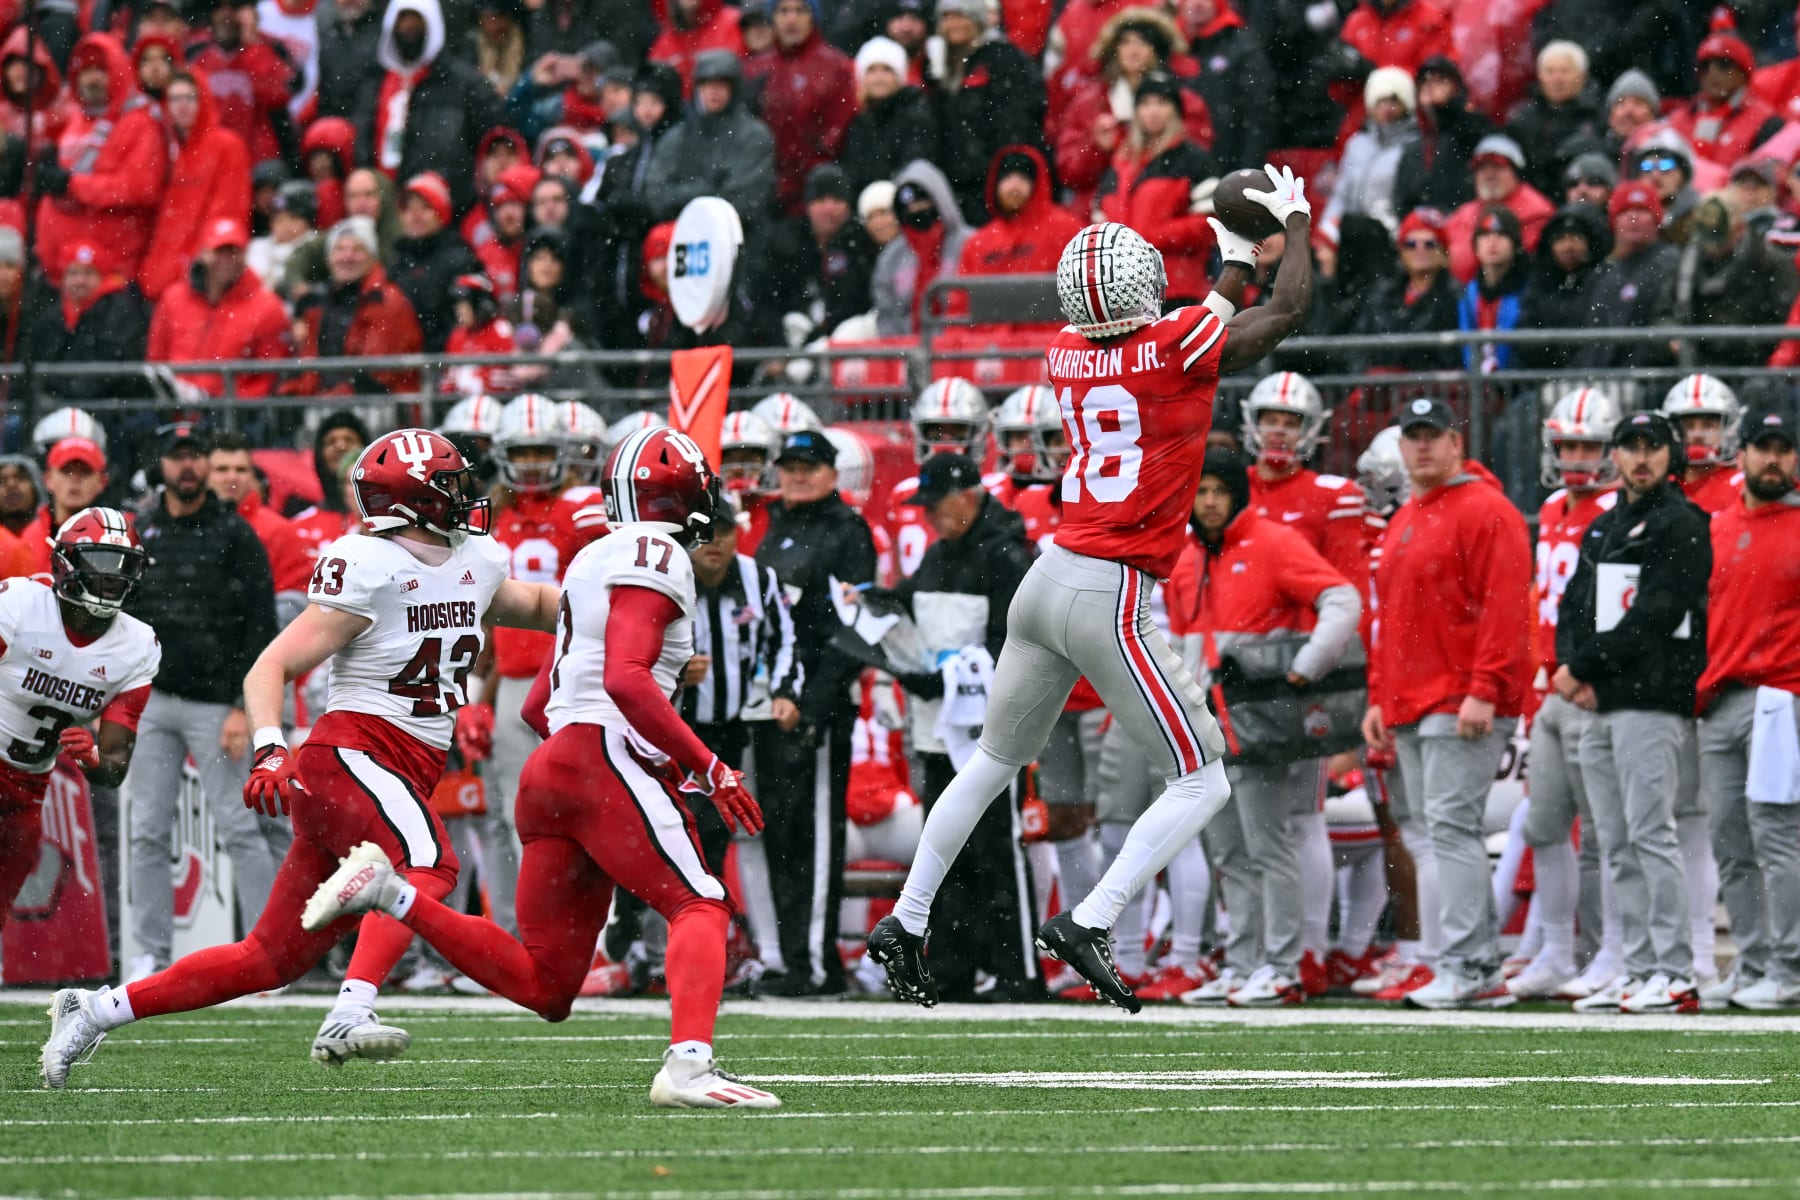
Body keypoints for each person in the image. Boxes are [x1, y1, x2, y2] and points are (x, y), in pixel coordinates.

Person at [869, 167, 1317, 1013]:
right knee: (1202, 779)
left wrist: (1229, 261)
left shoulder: (1066, 353)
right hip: (1112, 588)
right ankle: (1093, 917)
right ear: (1138, 284)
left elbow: (1208, 319)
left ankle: (906, 914)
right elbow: (1281, 313)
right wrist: (1289, 224)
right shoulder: (1177, 346)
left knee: (991, 762)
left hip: (1046, 579)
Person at [41, 430, 560, 1087]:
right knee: (428, 863)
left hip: (393, 769)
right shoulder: (369, 564)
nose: (464, 494)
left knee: (269, 958)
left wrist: (610, 607)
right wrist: (268, 746)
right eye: (449, 483)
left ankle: (94, 1010)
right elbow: (274, 663)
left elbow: (531, 606)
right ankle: (351, 1007)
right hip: (353, 753)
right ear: (413, 496)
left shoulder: (475, 558)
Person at [296, 427, 778, 1109]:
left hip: (551, 767)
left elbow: (540, 704)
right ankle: (690, 1067)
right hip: (600, 752)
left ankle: (395, 895)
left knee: (547, 984)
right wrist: (709, 765)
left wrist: (580, 764)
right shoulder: (657, 553)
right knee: (700, 901)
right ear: (687, 494)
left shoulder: (591, 559)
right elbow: (627, 679)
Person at [1166, 448, 1360, 1006]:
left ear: (1238, 495)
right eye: (1200, 491)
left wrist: (1305, 668)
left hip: (1260, 719)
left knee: (1269, 844)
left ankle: (1283, 965)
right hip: (1208, 723)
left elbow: (1341, 599)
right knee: (1228, 850)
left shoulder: (1273, 542)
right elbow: (1179, 637)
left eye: (1219, 491)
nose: (1208, 503)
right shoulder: (1187, 554)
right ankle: (1245, 960)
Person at [1362, 397, 1534, 1009]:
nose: (1423, 447)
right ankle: (1466, 963)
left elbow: (1507, 609)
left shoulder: (1486, 510)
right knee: (1439, 832)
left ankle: (1471, 965)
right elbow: (1392, 620)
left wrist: (1485, 689)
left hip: (1459, 699)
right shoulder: (1409, 514)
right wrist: (1381, 697)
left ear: (1456, 444)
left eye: (1433, 436)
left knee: (1453, 829)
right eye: (1413, 437)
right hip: (1414, 701)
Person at [1553, 410, 1710, 1015]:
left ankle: (1675, 971)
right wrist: (1576, 670)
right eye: (1630, 447)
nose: (1640, 458)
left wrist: (1581, 668)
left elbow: (1656, 614)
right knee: (1615, 840)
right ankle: (1640, 964)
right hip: (1600, 700)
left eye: (1653, 447)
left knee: (1650, 835)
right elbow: (1574, 606)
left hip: (1650, 700)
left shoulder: (1683, 524)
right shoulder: (1603, 526)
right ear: (1614, 456)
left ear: (1673, 457)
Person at [118, 423, 280, 984]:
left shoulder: (236, 534)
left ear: (207, 466)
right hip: (153, 699)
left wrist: (243, 705)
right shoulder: (142, 532)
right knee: (146, 829)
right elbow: (123, 618)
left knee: (239, 825)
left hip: (217, 704)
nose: (186, 467)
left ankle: (269, 949)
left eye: (194, 457)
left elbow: (261, 625)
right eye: (176, 457)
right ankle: (149, 954)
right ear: (161, 464)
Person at [879, 452, 1040, 1001]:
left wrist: (944, 680)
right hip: (938, 730)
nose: (930, 518)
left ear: (967, 498)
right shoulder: (940, 553)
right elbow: (918, 607)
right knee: (946, 847)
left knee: (996, 848)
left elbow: (1014, 645)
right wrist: (880, 604)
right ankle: (953, 964)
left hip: (990, 734)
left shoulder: (1007, 554)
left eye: (937, 507)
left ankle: (1018, 970)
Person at [753, 428, 878, 996]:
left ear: (833, 472)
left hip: (816, 709)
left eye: (809, 465)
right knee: (782, 836)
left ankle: (821, 965)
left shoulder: (849, 533)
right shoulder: (775, 530)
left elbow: (853, 631)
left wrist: (814, 708)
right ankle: (793, 960)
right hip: (773, 705)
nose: (797, 475)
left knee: (817, 840)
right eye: (789, 465)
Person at [0, 510, 159, 939]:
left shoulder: (137, 646)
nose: (113, 577)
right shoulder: (18, 605)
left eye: (123, 565)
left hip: (28, 791)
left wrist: (92, 757)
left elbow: (115, 768)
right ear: (67, 561)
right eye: (102, 562)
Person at [1511, 388, 1622, 1002]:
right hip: (1550, 687)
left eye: (1588, 445)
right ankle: (1557, 951)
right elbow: (1540, 604)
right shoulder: (1553, 507)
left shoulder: (1615, 510)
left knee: (1605, 833)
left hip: (1590, 689)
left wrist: (1587, 672)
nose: (1577, 456)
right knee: (1549, 827)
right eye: (1568, 444)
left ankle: (1610, 950)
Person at [1695, 406, 1800, 1009]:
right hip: (1720, 698)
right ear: (1742, 455)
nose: (1773, 459)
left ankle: (1790, 964)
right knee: (1730, 838)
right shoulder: (1715, 527)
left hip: (1782, 699)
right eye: (1764, 447)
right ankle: (1755, 961)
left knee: (1776, 836)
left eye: (1784, 449)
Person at [33, 32, 170, 286]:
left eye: (101, 70)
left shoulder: (140, 122)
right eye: (86, 70)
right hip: (64, 274)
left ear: (117, 73)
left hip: (109, 274)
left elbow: (140, 189)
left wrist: (72, 185)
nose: (92, 78)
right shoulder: (72, 121)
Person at [366, 0, 506, 215]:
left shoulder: (464, 83)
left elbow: (495, 137)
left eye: (416, 20)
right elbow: (364, 141)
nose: (409, 28)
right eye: (402, 20)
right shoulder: (377, 82)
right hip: (386, 205)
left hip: (449, 206)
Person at [1094, 71, 1216, 307]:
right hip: (1123, 290)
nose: (1153, 111)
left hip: (1177, 287)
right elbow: (1100, 216)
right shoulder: (1120, 162)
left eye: (1162, 102)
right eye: (1145, 103)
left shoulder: (1195, 159)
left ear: (1176, 110)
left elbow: (1207, 223)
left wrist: (1146, 239)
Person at [136, 72, 252, 303]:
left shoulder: (226, 145)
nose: (182, 106)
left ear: (204, 100)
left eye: (190, 98)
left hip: (199, 277)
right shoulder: (167, 150)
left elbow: (228, 211)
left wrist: (196, 266)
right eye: (175, 99)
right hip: (161, 280)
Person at [932, 0, 1048, 227]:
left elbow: (1016, 118)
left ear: (976, 18)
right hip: (960, 182)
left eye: (960, 15)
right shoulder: (944, 66)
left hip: (991, 178)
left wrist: (1005, 168)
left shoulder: (1000, 56)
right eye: (946, 17)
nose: (953, 23)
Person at [145, 218, 290, 399]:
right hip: (174, 408)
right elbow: (157, 356)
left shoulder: (268, 307)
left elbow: (270, 376)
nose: (227, 259)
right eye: (220, 251)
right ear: (204, 253)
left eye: (235, 251)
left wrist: (223, 405)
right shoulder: (173, 298)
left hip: (230, 415)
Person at [289, 217, 424, 397]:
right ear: (328, 258)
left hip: (381, 407)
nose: (347, 257)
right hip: (332, 405)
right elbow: (309, 368)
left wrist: (331, 400)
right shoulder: (320, 303)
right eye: (339, 249)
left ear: (372, 257)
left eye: (358, 249)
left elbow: (378, 372)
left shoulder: (387, 300)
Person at [746, 0, 855, 218]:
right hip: (766, 194)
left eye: (800, 10)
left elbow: (838, 134)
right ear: (772, 19)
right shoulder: (756, 69)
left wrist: (801, 178)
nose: (791, 19)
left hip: (816, 195)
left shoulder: (837, 67)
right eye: (783, 11)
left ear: (812, 17)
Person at [1571, 183, 1680, 371]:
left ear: (1657, 221)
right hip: (1599, 379)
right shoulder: (1603, 273)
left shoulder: (1672, 264)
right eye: (1625, 212)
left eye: (1642, 211)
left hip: (1645, 379)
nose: (1633, 217)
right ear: (1613, 222)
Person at [1351, 207, 1460, 370]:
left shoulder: (1456, 296)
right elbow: (1359, 347)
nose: (1420, 249)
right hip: (1380, 390)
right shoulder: (1381, 294)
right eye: (1411, 244)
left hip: (1430, 389)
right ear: (1401, 251)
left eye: (1430, 243)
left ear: (1443, 252)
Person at [871, 159, 969, 336]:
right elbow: (886, 313)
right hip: (908, 352)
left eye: (923, 201)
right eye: (908, 207)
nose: (916, 209)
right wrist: (902, 354)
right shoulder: (892, 257)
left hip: (960, 351)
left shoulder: (971, 244)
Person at [1668, 23, 1785, 169]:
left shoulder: (1767, 123)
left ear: (1744, 73)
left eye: (1724, 64)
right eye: (1705, 66)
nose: (1713, 72)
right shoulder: (1676, 120)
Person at [388, 172, 481, 355]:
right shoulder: (396, 262)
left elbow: (469, 317)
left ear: (441, 212)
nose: (416, 215)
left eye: (425, 207)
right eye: (408, 208)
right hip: (403, 364)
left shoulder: (460, 259)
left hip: (445, 362)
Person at [1321, 67, 1420, 237]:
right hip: (1349, 234)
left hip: (1386, 238)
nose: (1388, 108)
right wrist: (1328, 229)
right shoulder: (1357, 144)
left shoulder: (1413, 148)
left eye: (1394, 101)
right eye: (1381, 101)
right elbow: (1340, 195)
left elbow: (1409, 202)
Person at [1442, 135, 1554, 284]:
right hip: (1462, 298)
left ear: (1515, 171)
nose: (1488, 174)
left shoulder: (1537, 211)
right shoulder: (1462, 213)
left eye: (1497, 166)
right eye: (1481, 168)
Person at [1514, 203, 1611, 370]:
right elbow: (1525, 336)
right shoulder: (1540, 280)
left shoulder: (1605, 278)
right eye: (1560, 239)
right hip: (1545, 377)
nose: (1568, 246)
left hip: (1592, 374)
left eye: (1576, 237)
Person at [837, 35, 937, 197]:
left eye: (887, 69)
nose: (879, 78)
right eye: (872, 70)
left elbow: (915, 166)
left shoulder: (916, 113)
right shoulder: (860, 122)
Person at [1503, 41, 1604, 198]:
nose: (1557, 79)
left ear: (1582, 76)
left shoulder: (1599, 114)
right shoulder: (1522, 119)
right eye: (1549, 72)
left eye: (1565, 71)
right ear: (1539, 76)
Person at [1456, 205, 1529, 375]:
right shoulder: (1466, 294)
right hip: (1476, 387)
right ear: (1475, 245)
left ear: (1516, 245)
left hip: (1515, 385)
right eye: (1485, 235)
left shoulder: (1528, 291)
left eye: (1502, 235)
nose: (1492, 242)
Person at [1661, 374, 1745, 516]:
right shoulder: (1661, 485)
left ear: (1728, 428)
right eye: (1688, 426)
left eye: (1708, 425)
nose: (1697, 434)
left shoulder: (1742, 486)